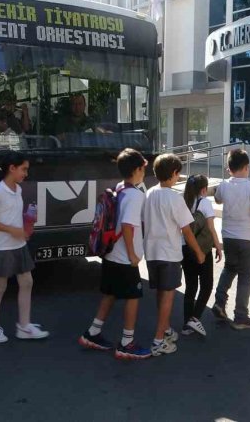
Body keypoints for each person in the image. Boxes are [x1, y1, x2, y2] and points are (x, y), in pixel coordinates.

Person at [79, 149, 152, 359]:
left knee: (110, 293)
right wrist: (133, 256)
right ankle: (127, 343)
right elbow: (128, 226)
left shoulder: (120, 188)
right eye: (143, 167)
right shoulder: (135, 195)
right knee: (133, 296)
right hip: (124, 257)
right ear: (138, 169)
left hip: (111, 253)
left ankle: (93, 333)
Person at [0, 152, 49, 343]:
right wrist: (11, 230)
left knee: (27, 282)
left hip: (18, 244)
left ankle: (24, 326)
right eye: (24, 169)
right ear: (12, 168)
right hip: (1, 247)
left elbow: (12, 216)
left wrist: (27, 223)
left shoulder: (17, 189)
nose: (26, 173)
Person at [143, 154, 206, 356]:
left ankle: (165, 329)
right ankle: (159, 340)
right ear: (174, 173)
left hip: (151, 252)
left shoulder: (150, 192)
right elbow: (187, 231)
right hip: (169, 253)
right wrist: (199, 252)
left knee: (161, 293)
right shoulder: (174, 198)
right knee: (168, 295)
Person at [212, 149, 250, 330]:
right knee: (245, 276)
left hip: (228, 236)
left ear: (229, 168)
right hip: (247, 237)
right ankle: (241, 316)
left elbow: (218, 200)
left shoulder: (224, 184)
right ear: (247, 167)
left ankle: (220, 302)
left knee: (229, 269)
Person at [180, 174, 223, 337]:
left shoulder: (183, 201)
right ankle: (195, 318)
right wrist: (218, 247)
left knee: (190, 286)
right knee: (206, 285)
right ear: (204, 189)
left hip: (185, 248)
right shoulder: (204, 202)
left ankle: (186, 324)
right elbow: (211, 229)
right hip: (202, 248)